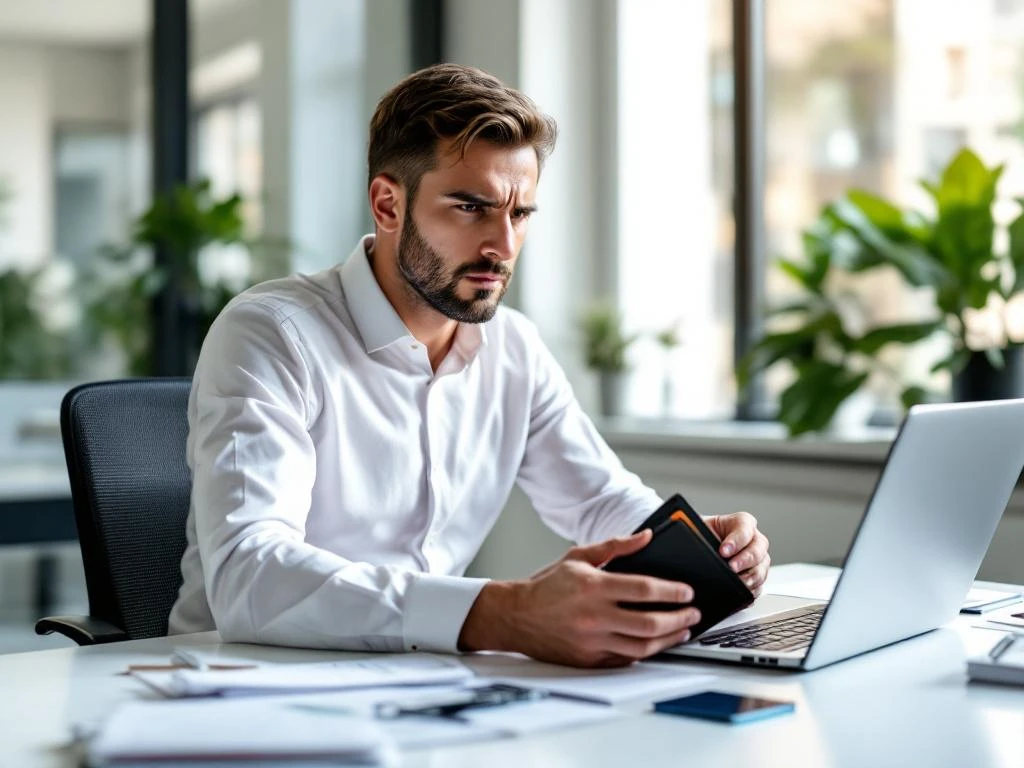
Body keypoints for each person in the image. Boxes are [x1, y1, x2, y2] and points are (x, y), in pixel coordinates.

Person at [168, 63, 770, 668]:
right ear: (387, 204)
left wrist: (698, 545)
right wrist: (504, 613)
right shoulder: (273, 333)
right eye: (470, 207)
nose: (503, 247)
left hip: (423, 683)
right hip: (241, 682)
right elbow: (250, 573)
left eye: (521, 214)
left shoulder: (514, 348)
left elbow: (598, 500)